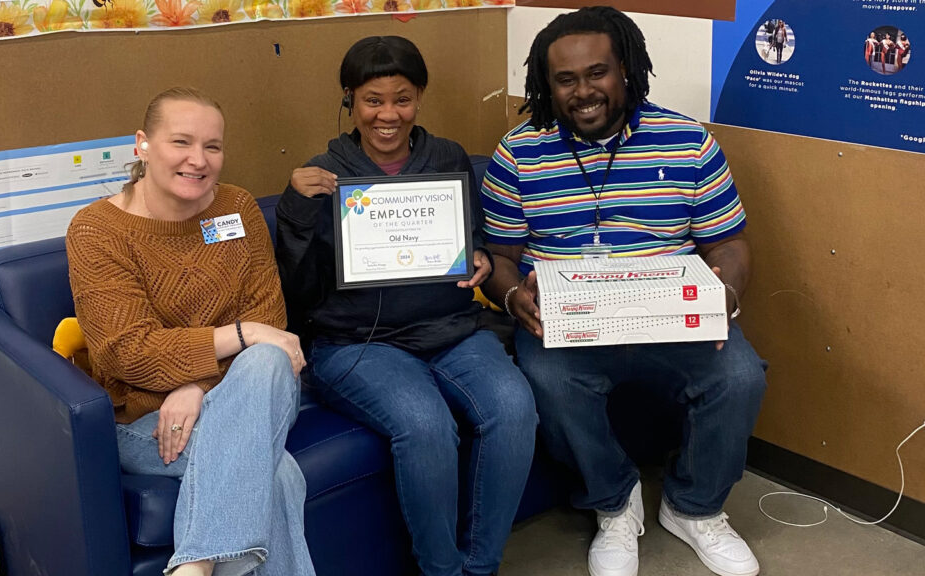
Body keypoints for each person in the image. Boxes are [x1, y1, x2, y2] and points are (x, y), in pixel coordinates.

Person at [480, 8, 766, 576]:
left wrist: (724, 297)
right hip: (570, 320)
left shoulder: (688, 142)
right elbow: (499, 260)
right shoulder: (518, 152)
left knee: (740, 376)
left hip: (671, 316)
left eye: (598, 73)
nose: (584, 91)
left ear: (627, 71)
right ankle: (614, 504)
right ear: (547, 84)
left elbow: (728, 244)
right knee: (549, 379)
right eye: (566, 80)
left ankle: (694, 509)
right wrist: (513, 297)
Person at [275, 36, 537, 576]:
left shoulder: (447, 158)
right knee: (424, 424)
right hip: (357, 343)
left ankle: (481, 566)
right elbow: (296, 293)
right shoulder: (322, 175)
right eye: (373, 100)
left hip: (452, 328)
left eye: (402, 98)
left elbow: (474, 240)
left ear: (419, 97)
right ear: (350, 100)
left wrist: (482, 259)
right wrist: (296, 211)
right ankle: (441, 569)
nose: (388, 115)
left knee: (514, 408)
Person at [66, 87, 315, 576]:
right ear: (142, 144)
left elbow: (270, 323)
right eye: (181, 142)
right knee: (280, 476)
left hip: (249, 393)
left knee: (267, 358)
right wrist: (237, 336)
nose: (198, 160)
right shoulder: (97, 230)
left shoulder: (237, 209)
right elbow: (124, 352)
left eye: (213, 147)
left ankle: (196, 564)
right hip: (144, 420)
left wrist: (197, 385)